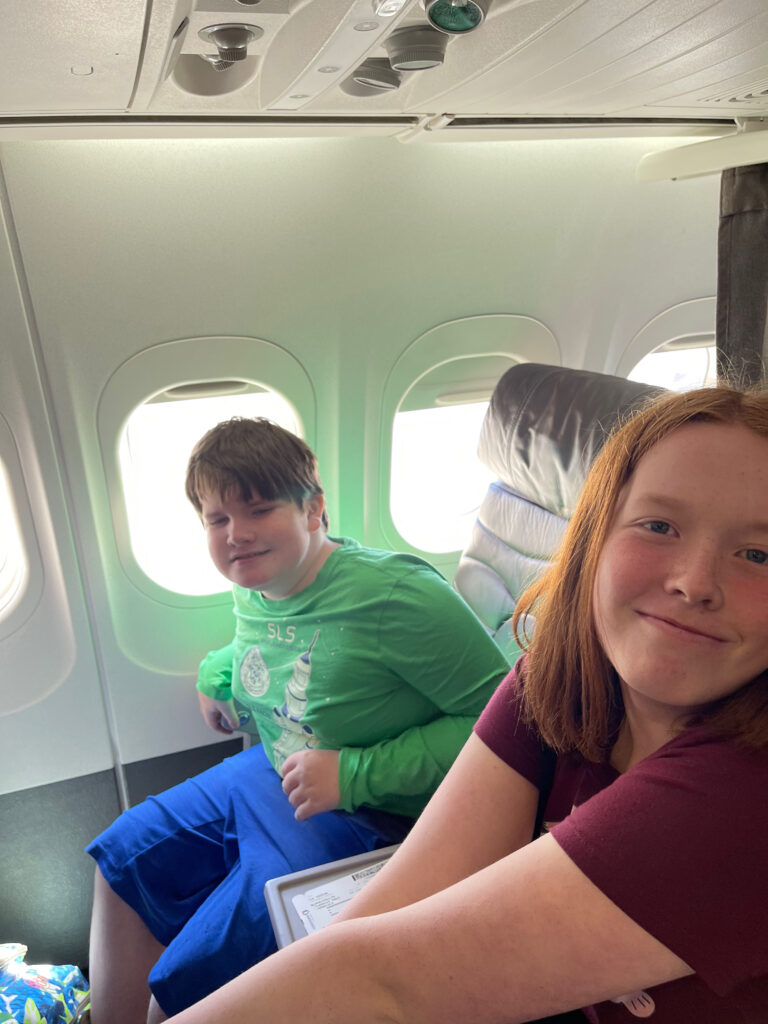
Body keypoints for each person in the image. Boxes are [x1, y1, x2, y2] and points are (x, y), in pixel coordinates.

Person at [160, 385, 768, 1024]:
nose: (694, 582)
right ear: (596, 536)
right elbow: (390, 912)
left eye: (758, 553)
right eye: (659, 526)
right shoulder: (557, 677)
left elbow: (385, 986)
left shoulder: (744, 793)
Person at [84, 418, 510, 1024]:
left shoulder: (395, 596)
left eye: (258, 510)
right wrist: (216, 673)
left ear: (314, 510)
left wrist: (355, 773)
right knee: (121, 863)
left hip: (375, 816)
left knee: (176, 994)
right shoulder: (254, 583)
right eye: (218, 519)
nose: (237, 536)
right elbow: (270, 648)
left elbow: (506, 722)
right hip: (277, 774)